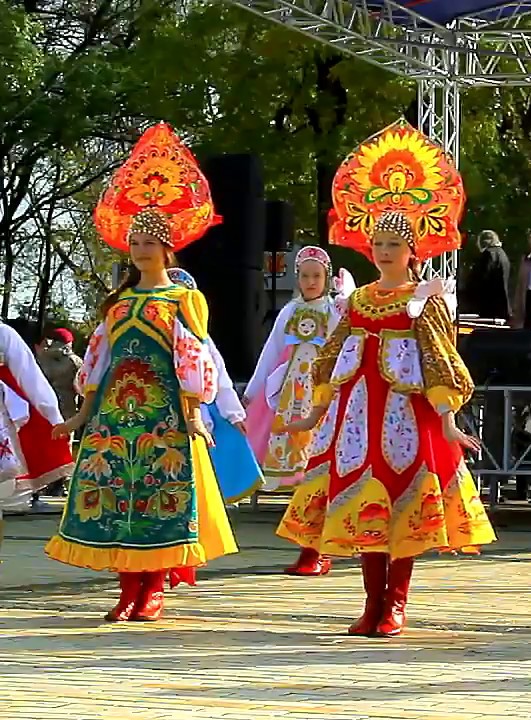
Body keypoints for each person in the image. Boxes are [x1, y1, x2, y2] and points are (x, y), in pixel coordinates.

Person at [278, 119, 496, 638]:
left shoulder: (426, 299)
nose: (382, 251)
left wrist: (447, 420)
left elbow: (440, 358)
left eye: (393, 245)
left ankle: (395, 603)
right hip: (357, 416)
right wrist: (310, 412)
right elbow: (329, 356)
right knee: (362, 505)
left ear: (412, 251)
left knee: (401, 503)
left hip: (406, 416)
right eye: (377, 243)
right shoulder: (355, 300)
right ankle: (371, 601)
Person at [46, 123, 236, 622]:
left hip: (163, 413)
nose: (143, 250)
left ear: (169, 248)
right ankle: (127, 588)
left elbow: (192, 357)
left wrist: (193, 413)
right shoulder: (118, 302)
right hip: (114, 413)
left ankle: (153, 589)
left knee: (157, 496)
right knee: (113, 496)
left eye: (152, 242)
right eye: (136, 242)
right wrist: (81, 415)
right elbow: (96, 362)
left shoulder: (183, 299)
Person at [243, 245, 350, 576]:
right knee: (301, 471)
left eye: (317, 275)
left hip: (321, 393)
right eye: (305, 275)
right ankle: (310, 545)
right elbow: (271, 350)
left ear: (327, 278)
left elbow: (344, 349)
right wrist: (254, 391)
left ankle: (318, 548)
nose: (311, 281)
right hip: (290, 394)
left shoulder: (334, 312)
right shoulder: (289, 312)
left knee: (321, 467)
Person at [167, 268, 263, 506]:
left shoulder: (201, 338)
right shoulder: (153, 335)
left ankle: (201, 503)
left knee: (204, 454)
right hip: (162, 406)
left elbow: (219, 377)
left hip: (198, 409)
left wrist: (233, 413)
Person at [0, 321, 71, 523]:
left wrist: (54, 416)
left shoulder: (3, 334)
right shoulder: (4, 334)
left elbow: (29, 377)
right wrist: (54, 416)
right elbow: (29, 376)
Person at [461, 230, 511, 321]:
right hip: (502, 306)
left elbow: (481, 278)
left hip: (489, 306)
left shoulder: (488, 254)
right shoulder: (503, 254)